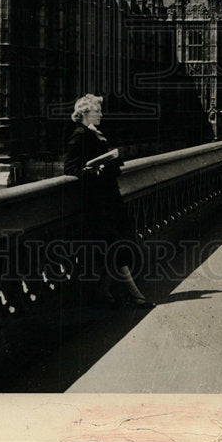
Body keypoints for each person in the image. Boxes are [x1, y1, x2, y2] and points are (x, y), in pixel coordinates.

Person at [64, 93, 154, 309]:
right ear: (85, 113)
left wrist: (110, 163)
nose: (102, 114)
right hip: (99, 205)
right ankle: (135, 294)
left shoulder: (96, 134)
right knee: (117, 247)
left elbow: (109, 164)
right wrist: (97, 171)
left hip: (110, 201)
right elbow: (71, 169)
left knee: (119, 246)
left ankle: (104, 290)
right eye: (98, 111)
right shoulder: (79, 136)